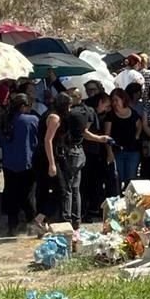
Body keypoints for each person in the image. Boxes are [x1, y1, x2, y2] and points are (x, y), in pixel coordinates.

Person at [46, 92, 110, 229]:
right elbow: (85, 133)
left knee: (68, 188)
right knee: (76, 188)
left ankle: (67, 219)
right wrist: (100, 139)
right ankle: (76, 219)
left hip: (70, 153)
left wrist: (52, 163)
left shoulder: (66, 117)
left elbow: (51, 138)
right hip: (80, 152)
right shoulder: (83, 113)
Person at [0, 94, 39, 236]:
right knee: (29, 195)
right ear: (23, 106)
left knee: (11, 193)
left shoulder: (5, 120)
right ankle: (32, 225)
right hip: (27, 162)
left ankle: (12, 225)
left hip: (8, 163)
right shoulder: (32, 120)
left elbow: (0, 142)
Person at [104, 88, 143, 192]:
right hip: (117, 151)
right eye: (112, 100)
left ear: (123, 99)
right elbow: (107, 135)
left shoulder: (133, 113)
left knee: (131, 179)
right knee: (118, 178)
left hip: (133, 150)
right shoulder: (110, 115)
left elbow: (140, 125)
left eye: (116, 100)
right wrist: (109, 152)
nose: (114, 103)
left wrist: (137, 135)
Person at [82, 91, 113, 219]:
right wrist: (101, 139)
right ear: (100, 102)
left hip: (93, 152)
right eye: (106, 105)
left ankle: (89, 210)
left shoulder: (94, 113)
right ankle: (85, 211)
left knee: (92, 183)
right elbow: (84, 132)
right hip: (88, 152)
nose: (106, 109)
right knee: (87, 183)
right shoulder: (90, 112)